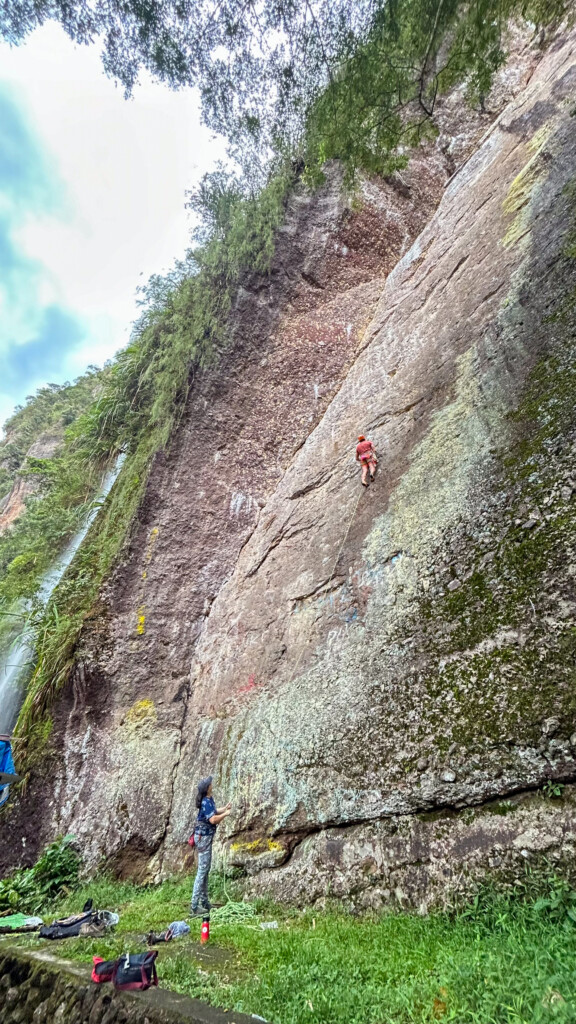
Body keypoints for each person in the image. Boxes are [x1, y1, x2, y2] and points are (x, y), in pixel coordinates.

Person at [190, 776, 231, 916]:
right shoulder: (205, 802)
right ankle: (194, 906)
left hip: (205, 837)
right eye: (210, 784)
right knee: (202, 871)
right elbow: (213, 819)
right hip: (204, 838)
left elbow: (213, 812)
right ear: (207, 788)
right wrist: (225, 814)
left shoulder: (208, 800)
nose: (212, 785)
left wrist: (223, 809)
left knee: (205, 870)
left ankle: (204, 902)